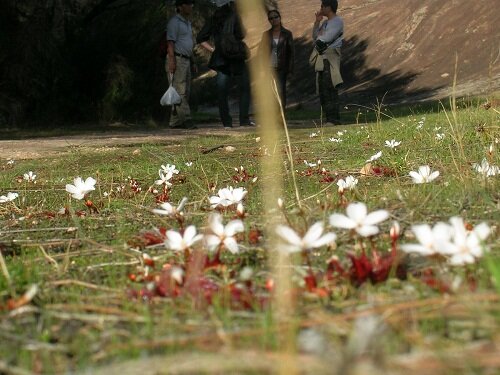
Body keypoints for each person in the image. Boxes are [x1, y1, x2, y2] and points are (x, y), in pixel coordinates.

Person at [196, 0, 253, 128]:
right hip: (236, 56)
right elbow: (241, 34)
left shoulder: (213, 19)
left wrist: (213, 50)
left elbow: (200, 38)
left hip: (221, 58)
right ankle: (244, 120)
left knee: (222, 91)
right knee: (244, 87)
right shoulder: (235, 15)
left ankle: (226, 123)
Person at [166, 0, 197, 129]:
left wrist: (193, 61)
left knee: (186, 91)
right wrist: (172, 61)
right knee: (180, 91)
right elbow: (170, 42)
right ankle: (186, 120)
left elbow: (189, 43)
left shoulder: (188, 23)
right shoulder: (175, 22)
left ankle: (175, 121)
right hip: (177, 59)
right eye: (188, 4)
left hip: (186, 59)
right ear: (180, 7)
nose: (191, 6)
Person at [312, 0, 344, 125]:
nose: (320, 8)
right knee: (323, 88)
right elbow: (315, 36)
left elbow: (325, 39)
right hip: (322, 58)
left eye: (322, 6)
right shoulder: (325, 23)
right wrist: (317, 22)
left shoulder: (337, 21)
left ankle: (333, 119)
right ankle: (328, 118)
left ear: (328, 7)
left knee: (330, 86)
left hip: (330, 57)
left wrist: (319, 40)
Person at [258, 9, 294, 109]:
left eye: (275, 17)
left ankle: (281, 117)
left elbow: (291, 53)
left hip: (282, 67)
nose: (274, 19)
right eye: (271, 18)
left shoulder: (287, 34)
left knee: (281, 92)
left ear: (280, 18)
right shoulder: (266, 34)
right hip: (268, 67)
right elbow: (261, 53)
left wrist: (290, 69)